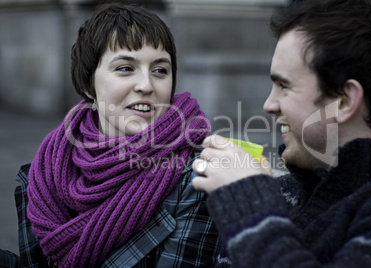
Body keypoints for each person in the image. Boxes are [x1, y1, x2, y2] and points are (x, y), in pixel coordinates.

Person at [192, 0, 371, 267]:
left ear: (345, 101)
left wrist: (248, 202)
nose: (268, 105)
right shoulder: (284, 194)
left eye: (284, 86)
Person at [11, 3, 221, 267]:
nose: (146, 85)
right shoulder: (45, 174)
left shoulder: (198, 177)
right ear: (89, 85)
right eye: (125, 68)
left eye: (160, 70)